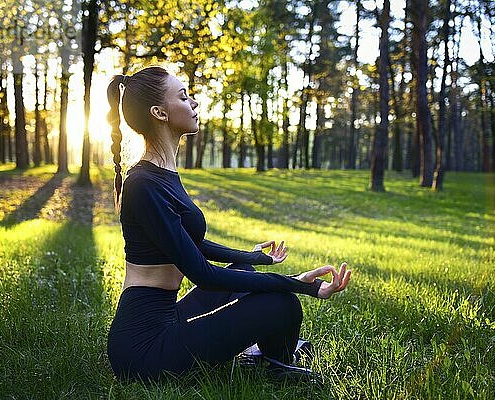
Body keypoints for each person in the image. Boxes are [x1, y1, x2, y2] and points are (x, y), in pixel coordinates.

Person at [105, 65, 352, 383]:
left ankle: (269, 358)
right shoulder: (143, 183)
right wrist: (299, 284)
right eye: (183, 97)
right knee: (281, 303)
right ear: (159, 113)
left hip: (166, 317)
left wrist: (254, 258)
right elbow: (202, 275)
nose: (193, 103)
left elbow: (188, 243)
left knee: (242, 273)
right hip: (144, 350)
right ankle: (273, 364)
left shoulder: (161, 173)